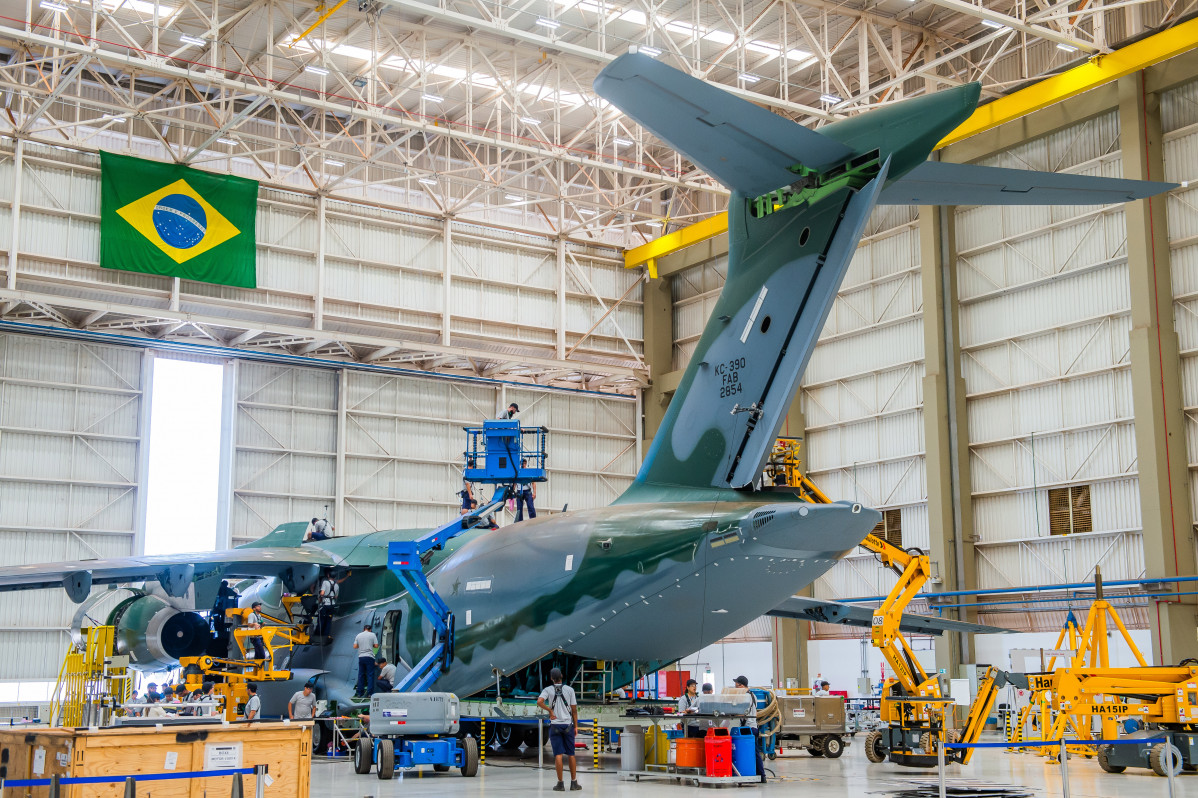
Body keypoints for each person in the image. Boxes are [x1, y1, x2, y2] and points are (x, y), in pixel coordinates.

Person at [536, 668, 581, 792]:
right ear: (561, 676)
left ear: (551, 678)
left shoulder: (548, 690)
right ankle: (574, 783)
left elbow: (539, 701)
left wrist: (550, 710)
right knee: (571, 754)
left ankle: (560, 784)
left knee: (558, 755)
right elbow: (574, 710)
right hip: (568, 726)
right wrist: (576, 726)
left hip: (555, 726)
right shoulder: (570, 690)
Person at [353, 623, 379, 698]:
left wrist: (360, 645)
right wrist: (371, 645)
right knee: (370, 675)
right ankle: (370, 693)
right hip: (369, 656)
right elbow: (376, 646)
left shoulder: (358, 635)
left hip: (361, 657)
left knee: (361, 675)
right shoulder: (372, 635)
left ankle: (359, 693)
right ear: (370, 629)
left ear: (364, 629)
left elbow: (355, 646)